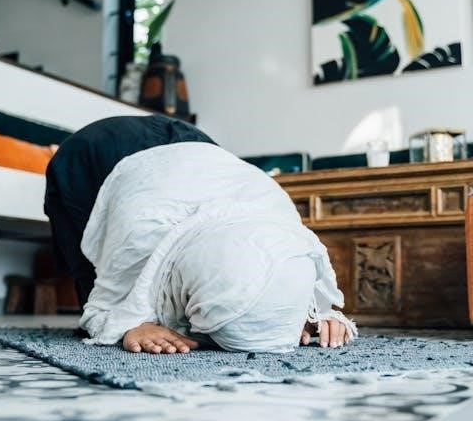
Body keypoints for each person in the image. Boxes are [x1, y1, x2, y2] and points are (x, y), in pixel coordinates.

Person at [44, 115, 356, 355]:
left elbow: (278, 270)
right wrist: (131, 326)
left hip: (197, 151)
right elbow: (103, 306)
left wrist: (308, 314)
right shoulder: (140, 229)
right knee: (89, 284)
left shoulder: (279, 218)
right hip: (98, 152)